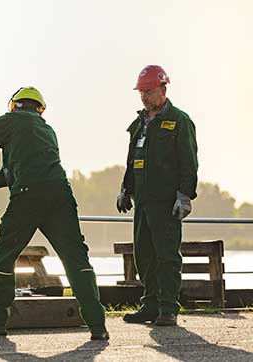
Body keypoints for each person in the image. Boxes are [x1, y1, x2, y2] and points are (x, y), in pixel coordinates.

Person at [0, 87, 108, 340]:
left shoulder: (12, 121)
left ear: (14, 106)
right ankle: (98, 325)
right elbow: (9, 174)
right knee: (75, 258)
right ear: (40, 109)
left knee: (4, 256)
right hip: (60, 194)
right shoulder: (47, 131)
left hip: (28, 195)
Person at [117, 65, 198, 326]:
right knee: (144, 255)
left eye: (149, 92)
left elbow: (189, 161)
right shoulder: (139, 124)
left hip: (166, 202)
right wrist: (125, 190)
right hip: (142, 201)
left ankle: (168, 308)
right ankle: (150, 304)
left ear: (163, 88)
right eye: (141, 92)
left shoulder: (178, 121)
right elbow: (133, 161)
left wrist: (185, 195)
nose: (144, 97)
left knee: (166, 255)